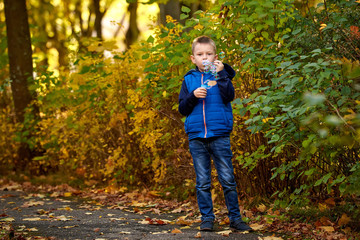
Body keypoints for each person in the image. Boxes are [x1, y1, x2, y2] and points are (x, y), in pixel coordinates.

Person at [178, 36, 252, 232]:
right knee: (202, 182)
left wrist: (222, 75)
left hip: (219, 134)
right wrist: (193, 96)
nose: (205, 57)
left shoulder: (220, 76)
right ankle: (207, 219)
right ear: (193, 58)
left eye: (208, 54)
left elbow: (229, 96)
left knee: (227, 179)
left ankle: (235, 219)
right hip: (196, 137)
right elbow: (182, 109)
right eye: (200, 54)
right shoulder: (189, 79)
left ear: (215, 57)